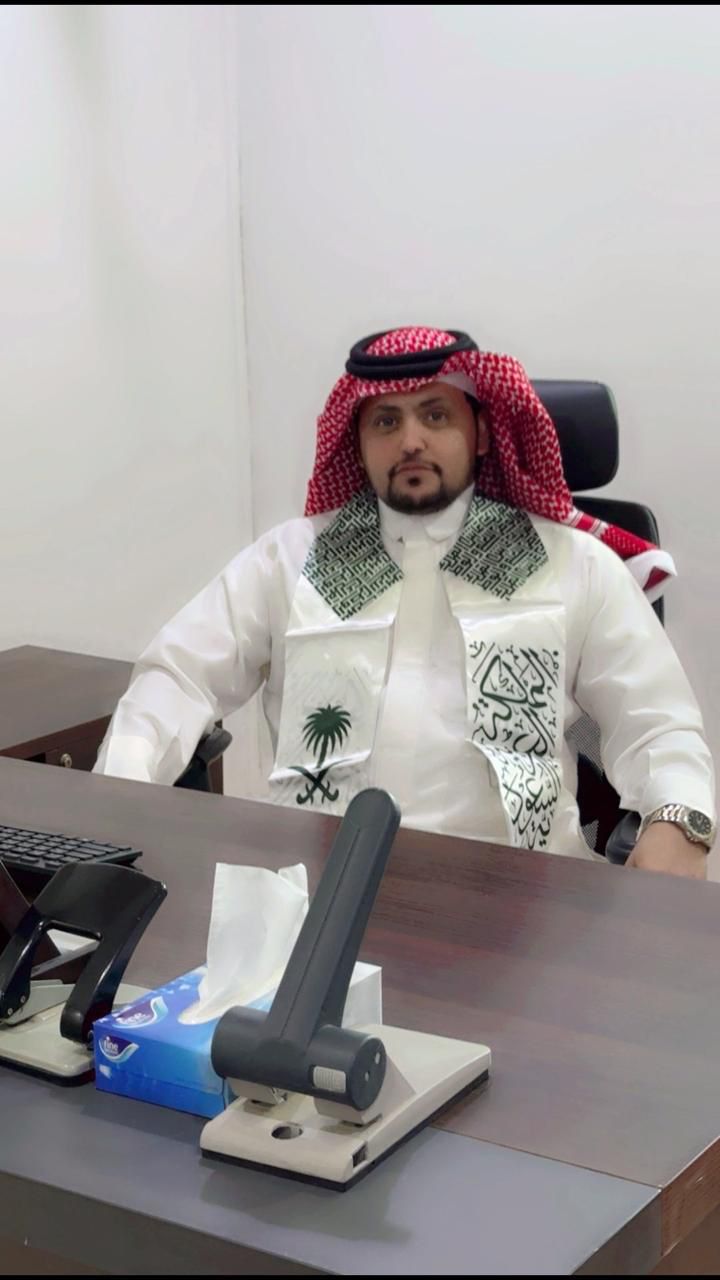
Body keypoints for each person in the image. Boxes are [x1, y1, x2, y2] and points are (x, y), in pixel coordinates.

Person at [94, 326, 715, 877]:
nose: (411, 440)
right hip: (317, 881)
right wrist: (118, 798)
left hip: (522, 891)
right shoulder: (292, 559)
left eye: (435, 415)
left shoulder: (572, 564)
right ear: (358, 442)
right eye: (386, 422)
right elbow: (178, 676)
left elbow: (658, 725)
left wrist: (679, 821)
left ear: (480, 434)